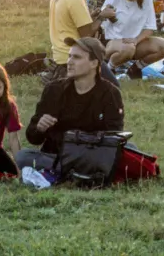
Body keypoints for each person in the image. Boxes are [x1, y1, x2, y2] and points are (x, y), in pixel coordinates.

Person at [19, 38, 123, 170]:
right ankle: (75, 170)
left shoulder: (110, 93)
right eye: (69, 56)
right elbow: (33, 138)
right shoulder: (54, 90)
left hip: (92, 155)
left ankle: (72, 170)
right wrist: (39, 127)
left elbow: (114, 136)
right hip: (57, 156)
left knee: (129, 150)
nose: (69, 62)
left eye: (77, 57)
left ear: (94, 63)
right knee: (23, 157)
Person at [97, 0, 164, 75]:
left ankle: (135, 69)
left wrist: (136, 40)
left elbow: (150, 28)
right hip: (112, 42)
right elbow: (100, 27)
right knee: (128, 48)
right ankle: (109, 69)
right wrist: (103, 15)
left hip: (134, 42)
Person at [49, 0, 96, 73]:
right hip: (73, 56)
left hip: (59, 57)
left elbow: (69, 23)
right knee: (113, 83)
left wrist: (93, 16)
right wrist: (103, 17)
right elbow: (87, 36)